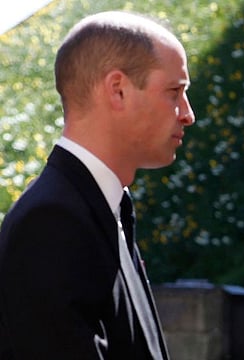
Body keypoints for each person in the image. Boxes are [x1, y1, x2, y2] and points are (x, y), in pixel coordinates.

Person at [0, 10, 195, 360]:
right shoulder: (52, 221)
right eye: (174, 91)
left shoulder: (100, 204)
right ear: (117, 89)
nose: (187, 113)